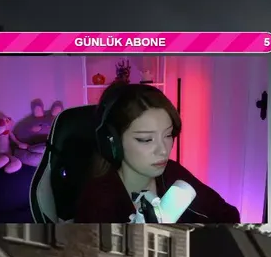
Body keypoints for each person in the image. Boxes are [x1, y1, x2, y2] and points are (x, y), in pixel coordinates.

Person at [75, 83, 240, 223]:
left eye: (168, 135)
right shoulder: (96, 203)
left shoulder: (173, 173)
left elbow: (228, 215)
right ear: (113, 142)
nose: (163, 150)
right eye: (146, 139)